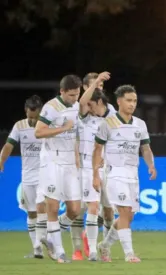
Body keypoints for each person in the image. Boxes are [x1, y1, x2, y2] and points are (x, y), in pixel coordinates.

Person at [94, 85, 157, 263]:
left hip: (132, 173)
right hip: (114, 173)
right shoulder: (108, 123)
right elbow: (97, 148)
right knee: (124, 212)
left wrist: (151, 165)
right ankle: (129, 254)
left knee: (128, 217)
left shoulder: (140, 124)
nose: (132, 104)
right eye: (129, 100)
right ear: (119, 101)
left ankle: (104, 245)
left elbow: (145, 147)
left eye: (135, 101)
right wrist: (95, 173)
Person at [35, 74, 82, 263]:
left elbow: (82, 103)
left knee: (74, 210)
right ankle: (59, 251)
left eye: (77, 94)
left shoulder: (77, 105)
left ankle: (51, 237)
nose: (75, 98)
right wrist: (62, 129)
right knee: (52, 207)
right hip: (52, 161)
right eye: (71, 95)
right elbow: (38, 132)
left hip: (70, 162)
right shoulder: (51, 108)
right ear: (62, 92)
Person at [0, 95, 44, 259]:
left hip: (45, 175)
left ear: (40, 112)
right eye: (29, 117)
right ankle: (37, 248)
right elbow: (9, 145)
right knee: (32, 213)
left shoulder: (47, 126)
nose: (32, 121)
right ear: (26, 112)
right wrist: (1, 160)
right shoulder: (20, 126)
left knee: (43, 210)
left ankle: (50, 244)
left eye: (35, 117)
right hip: (27, 176)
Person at [77, 72, 115, 261]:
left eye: (100, 85)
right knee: (92, 206)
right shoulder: (85, 114)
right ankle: (91, 250)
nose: (99, 86)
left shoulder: (111, 112)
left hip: (108, 166)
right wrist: (98, 80)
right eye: (95, 85)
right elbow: (83, 101)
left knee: (109, 212)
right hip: (87, 166)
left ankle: (104, 248)